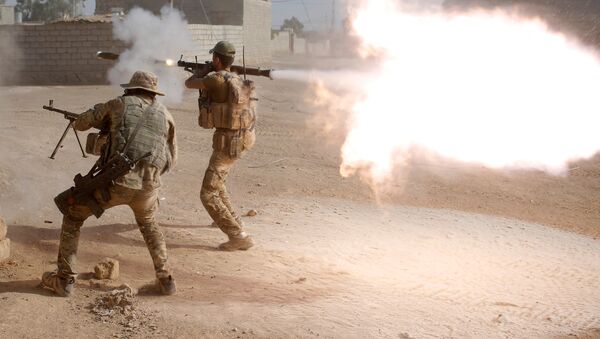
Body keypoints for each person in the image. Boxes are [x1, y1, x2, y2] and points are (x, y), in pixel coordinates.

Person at [41, 71, 178, 297]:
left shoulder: (118, 104)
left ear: (131, 89)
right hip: (149, 186)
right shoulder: (166, 115)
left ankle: (64, 280)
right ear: (153, 94)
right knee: (149, 223)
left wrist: (103, 122)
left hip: (115, 183)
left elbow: (81, 123)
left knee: (73, 214)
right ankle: (166, 280)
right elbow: (171, 160)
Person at [185, 41, 256, 251]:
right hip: (242, 137)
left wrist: (203, 71)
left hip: (229, 142)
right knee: (218, 182)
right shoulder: (235, 79)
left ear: (216, 59)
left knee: (207, 192)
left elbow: (189, 83)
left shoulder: (214, 78)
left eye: (213, 59)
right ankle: (230, 220)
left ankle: (238, 235)